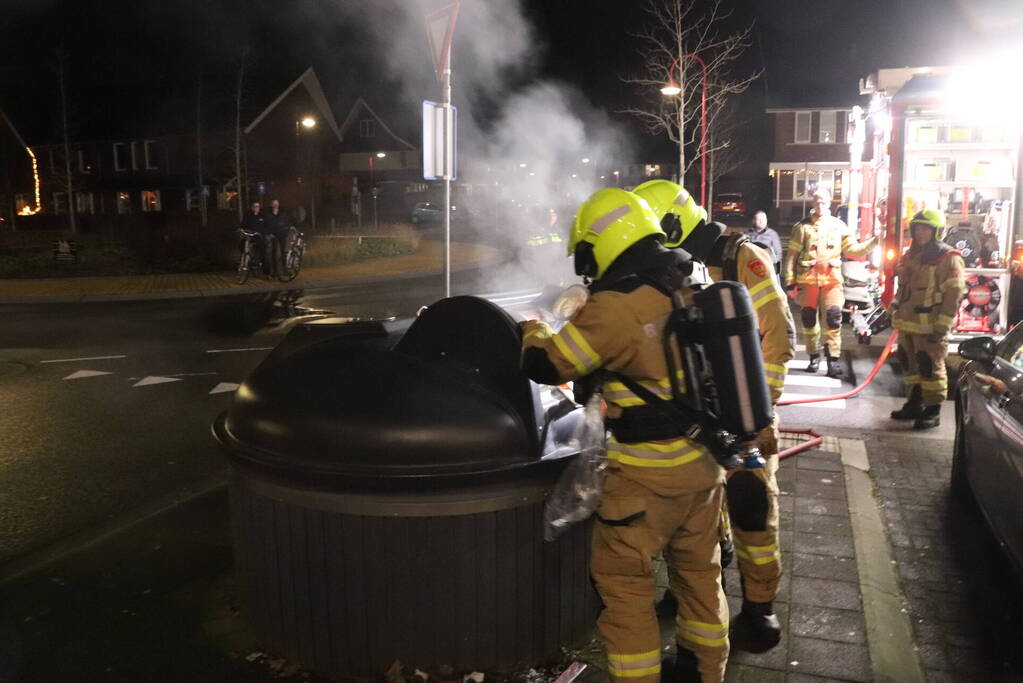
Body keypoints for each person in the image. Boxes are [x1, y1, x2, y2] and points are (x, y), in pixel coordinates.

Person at [521, 187, 730, 682]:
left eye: (588, 256)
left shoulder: (615, 306)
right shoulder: (687, 279)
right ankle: (706, 672)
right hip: (704, 469)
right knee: (700, 577)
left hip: (644, 480)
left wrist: (532, 328)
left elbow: (549, 364)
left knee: (626, 590)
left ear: (607, 241)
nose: (588, 270)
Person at [634, 179, 794, 655]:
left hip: (745, 414)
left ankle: (759, 607)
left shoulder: (743, 258)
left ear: (674, 224)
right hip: (699, 418)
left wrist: (754, 414)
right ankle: (697, 594)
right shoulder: (672, 267)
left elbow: (778, 334)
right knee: (697, 514)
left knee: (751, 510)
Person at [782, 188, 877, 378]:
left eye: (824, 202)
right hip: (807, 282)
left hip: (831, 282)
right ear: (812, 203)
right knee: (809, 321)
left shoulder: (838, 226)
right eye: (817, 202)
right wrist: (790, 283)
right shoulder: (802, 228)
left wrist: (874, 243)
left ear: (829, 204)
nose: (820, 205)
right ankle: (813, 356)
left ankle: (833, 360)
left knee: (833, 320)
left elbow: (854, 250)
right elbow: (791, 257)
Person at [889, 209, 966, 429]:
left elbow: (954, 294)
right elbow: (903, 289)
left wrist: (943, 324)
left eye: (926, 228)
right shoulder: (910, 255)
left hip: (930, 327)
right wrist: (893, 308)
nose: (921, 233)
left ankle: (933, 410)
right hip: (907, 324)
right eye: (917, 228)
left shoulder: (948, 258)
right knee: (910, 365)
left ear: (936, 231)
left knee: (930, 367)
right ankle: (914, 403)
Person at [264, 199, 292, 274]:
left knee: (283, 252)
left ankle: (285, 270)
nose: (276, 205)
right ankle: (275, 272)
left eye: (277, 204)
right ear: (271, 205)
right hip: (273, 236)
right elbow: (265, 225)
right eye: (274, 204)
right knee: (274, 254)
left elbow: (288, 224)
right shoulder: (267, 214)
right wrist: (269, 233)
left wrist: (285, 233)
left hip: (282, 235)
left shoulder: (283, 213)